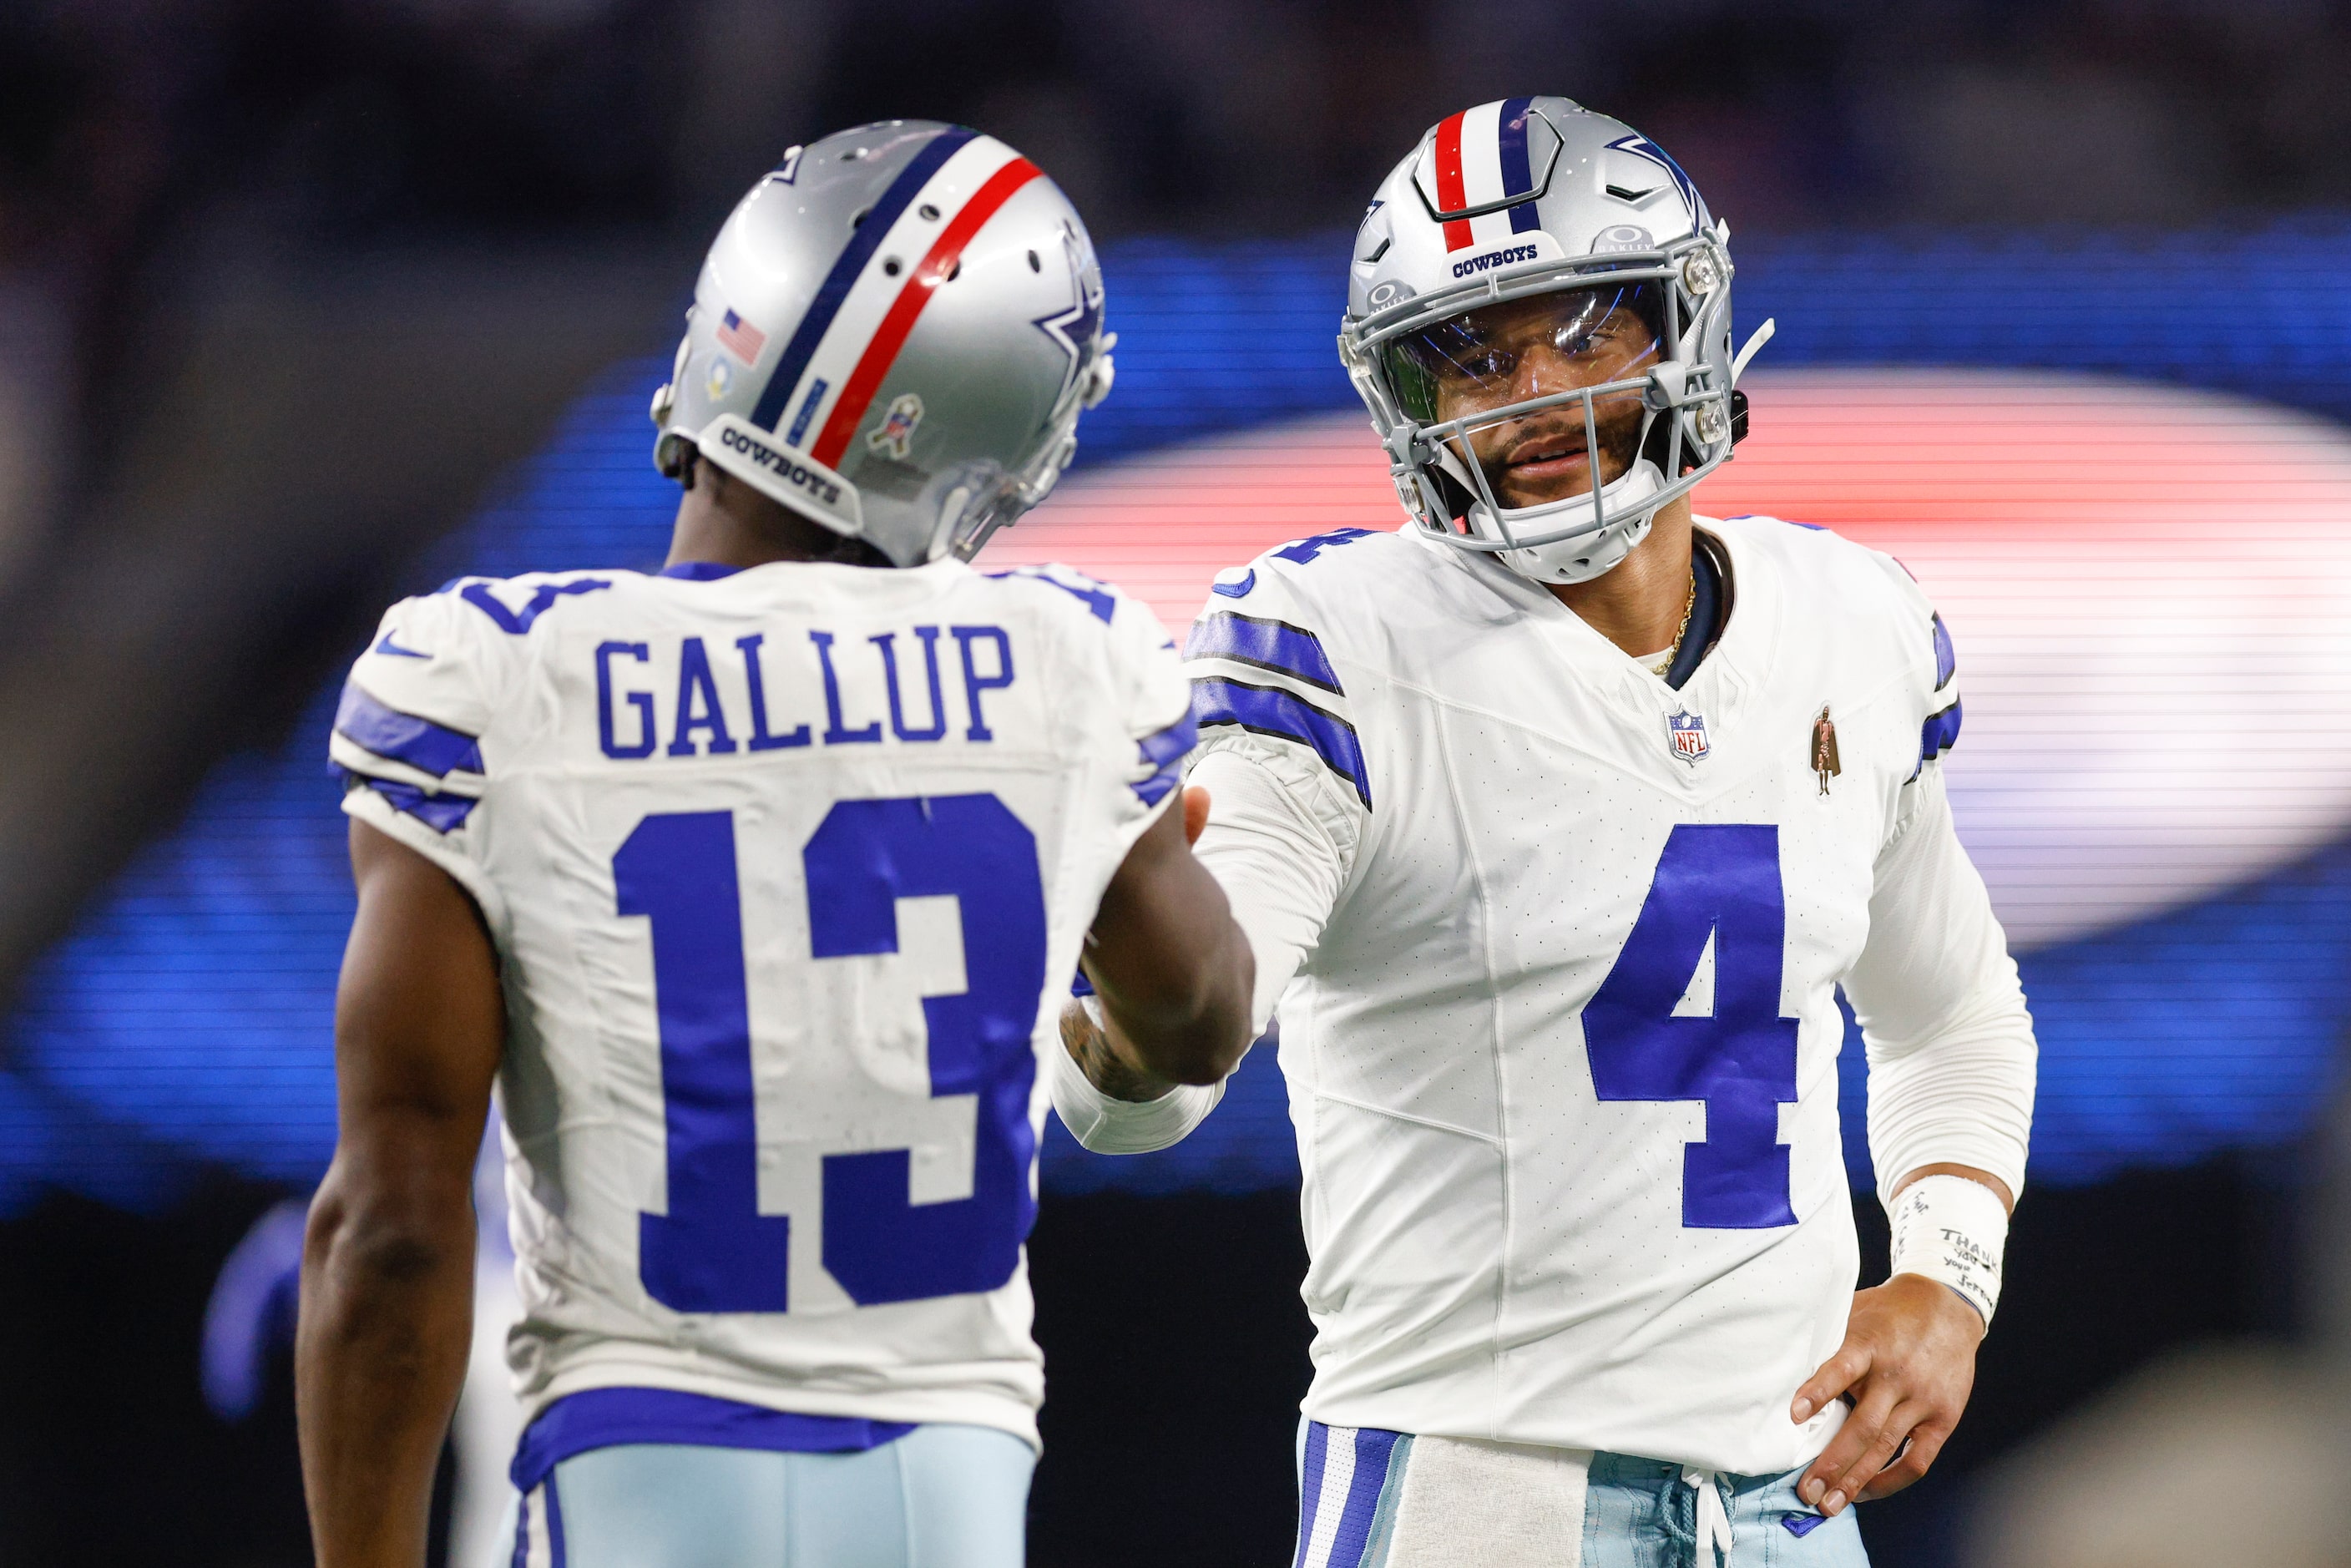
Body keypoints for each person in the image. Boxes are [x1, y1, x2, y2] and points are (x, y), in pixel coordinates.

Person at [1051, 96, 2035, 1566]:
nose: (1532, 395)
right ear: (1408, 398)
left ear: (1683, 322)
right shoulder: (1331, 641)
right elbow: (1154, 1085)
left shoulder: (1852, 623)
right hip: (1478, 1494)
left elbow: (1952, 1011)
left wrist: (1948, 1276)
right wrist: (1137, 1007)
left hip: (1789, 1504)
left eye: (1587, 334)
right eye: (1476, 355)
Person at [296, 119, 1255, 1568]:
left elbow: (395, 1228)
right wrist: (1120, 968)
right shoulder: (1070, 664)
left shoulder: (491, 678)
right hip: (946, 1489)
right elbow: (1199, 1017)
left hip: (640, 1465)